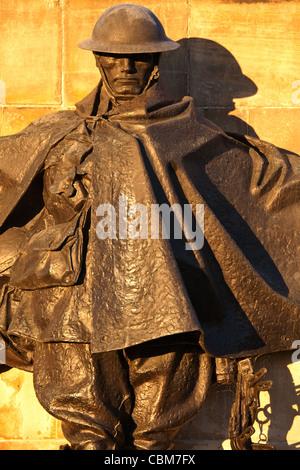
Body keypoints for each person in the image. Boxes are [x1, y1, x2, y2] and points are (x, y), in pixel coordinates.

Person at [0, 4, 299, 450]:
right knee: (83, 414)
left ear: (156, 62)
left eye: (138, 57)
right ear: (97, 59)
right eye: (114, 56)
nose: (125, 67)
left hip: (162, 288)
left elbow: (246, 177)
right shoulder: (63, 131)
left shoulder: (184, 128)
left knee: (157, 419)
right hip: (73, 295)